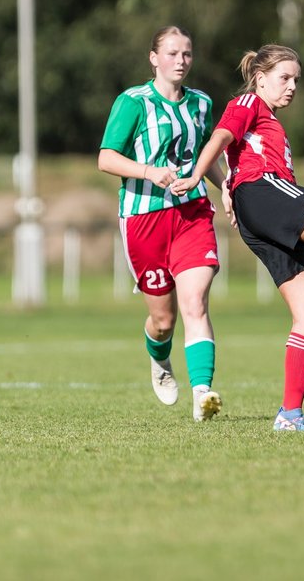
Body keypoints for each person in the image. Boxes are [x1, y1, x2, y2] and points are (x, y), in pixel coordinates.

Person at [171, 44, 304, 432]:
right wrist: (201, 178)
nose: (292, 86)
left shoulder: (272, 127)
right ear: (260, 79)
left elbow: (294, 205)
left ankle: (290, 415)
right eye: (284, 78)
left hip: (263, 207)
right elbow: (220, 138)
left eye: (297, 79)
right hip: (262, 191)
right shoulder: (249, 102)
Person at [98, 25, 227, 422]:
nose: (180, 61)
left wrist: (226, 188)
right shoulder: (133, 102)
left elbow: (209, 157)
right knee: (163, 319)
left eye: (186, 54)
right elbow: (106, 158)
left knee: (195, 303)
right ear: (154, 58)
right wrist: (148, 171)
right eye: (171, 54)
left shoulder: (201, 103)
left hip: (192, 215)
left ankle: (202, 393)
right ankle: (160, 360)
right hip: (143, 220)